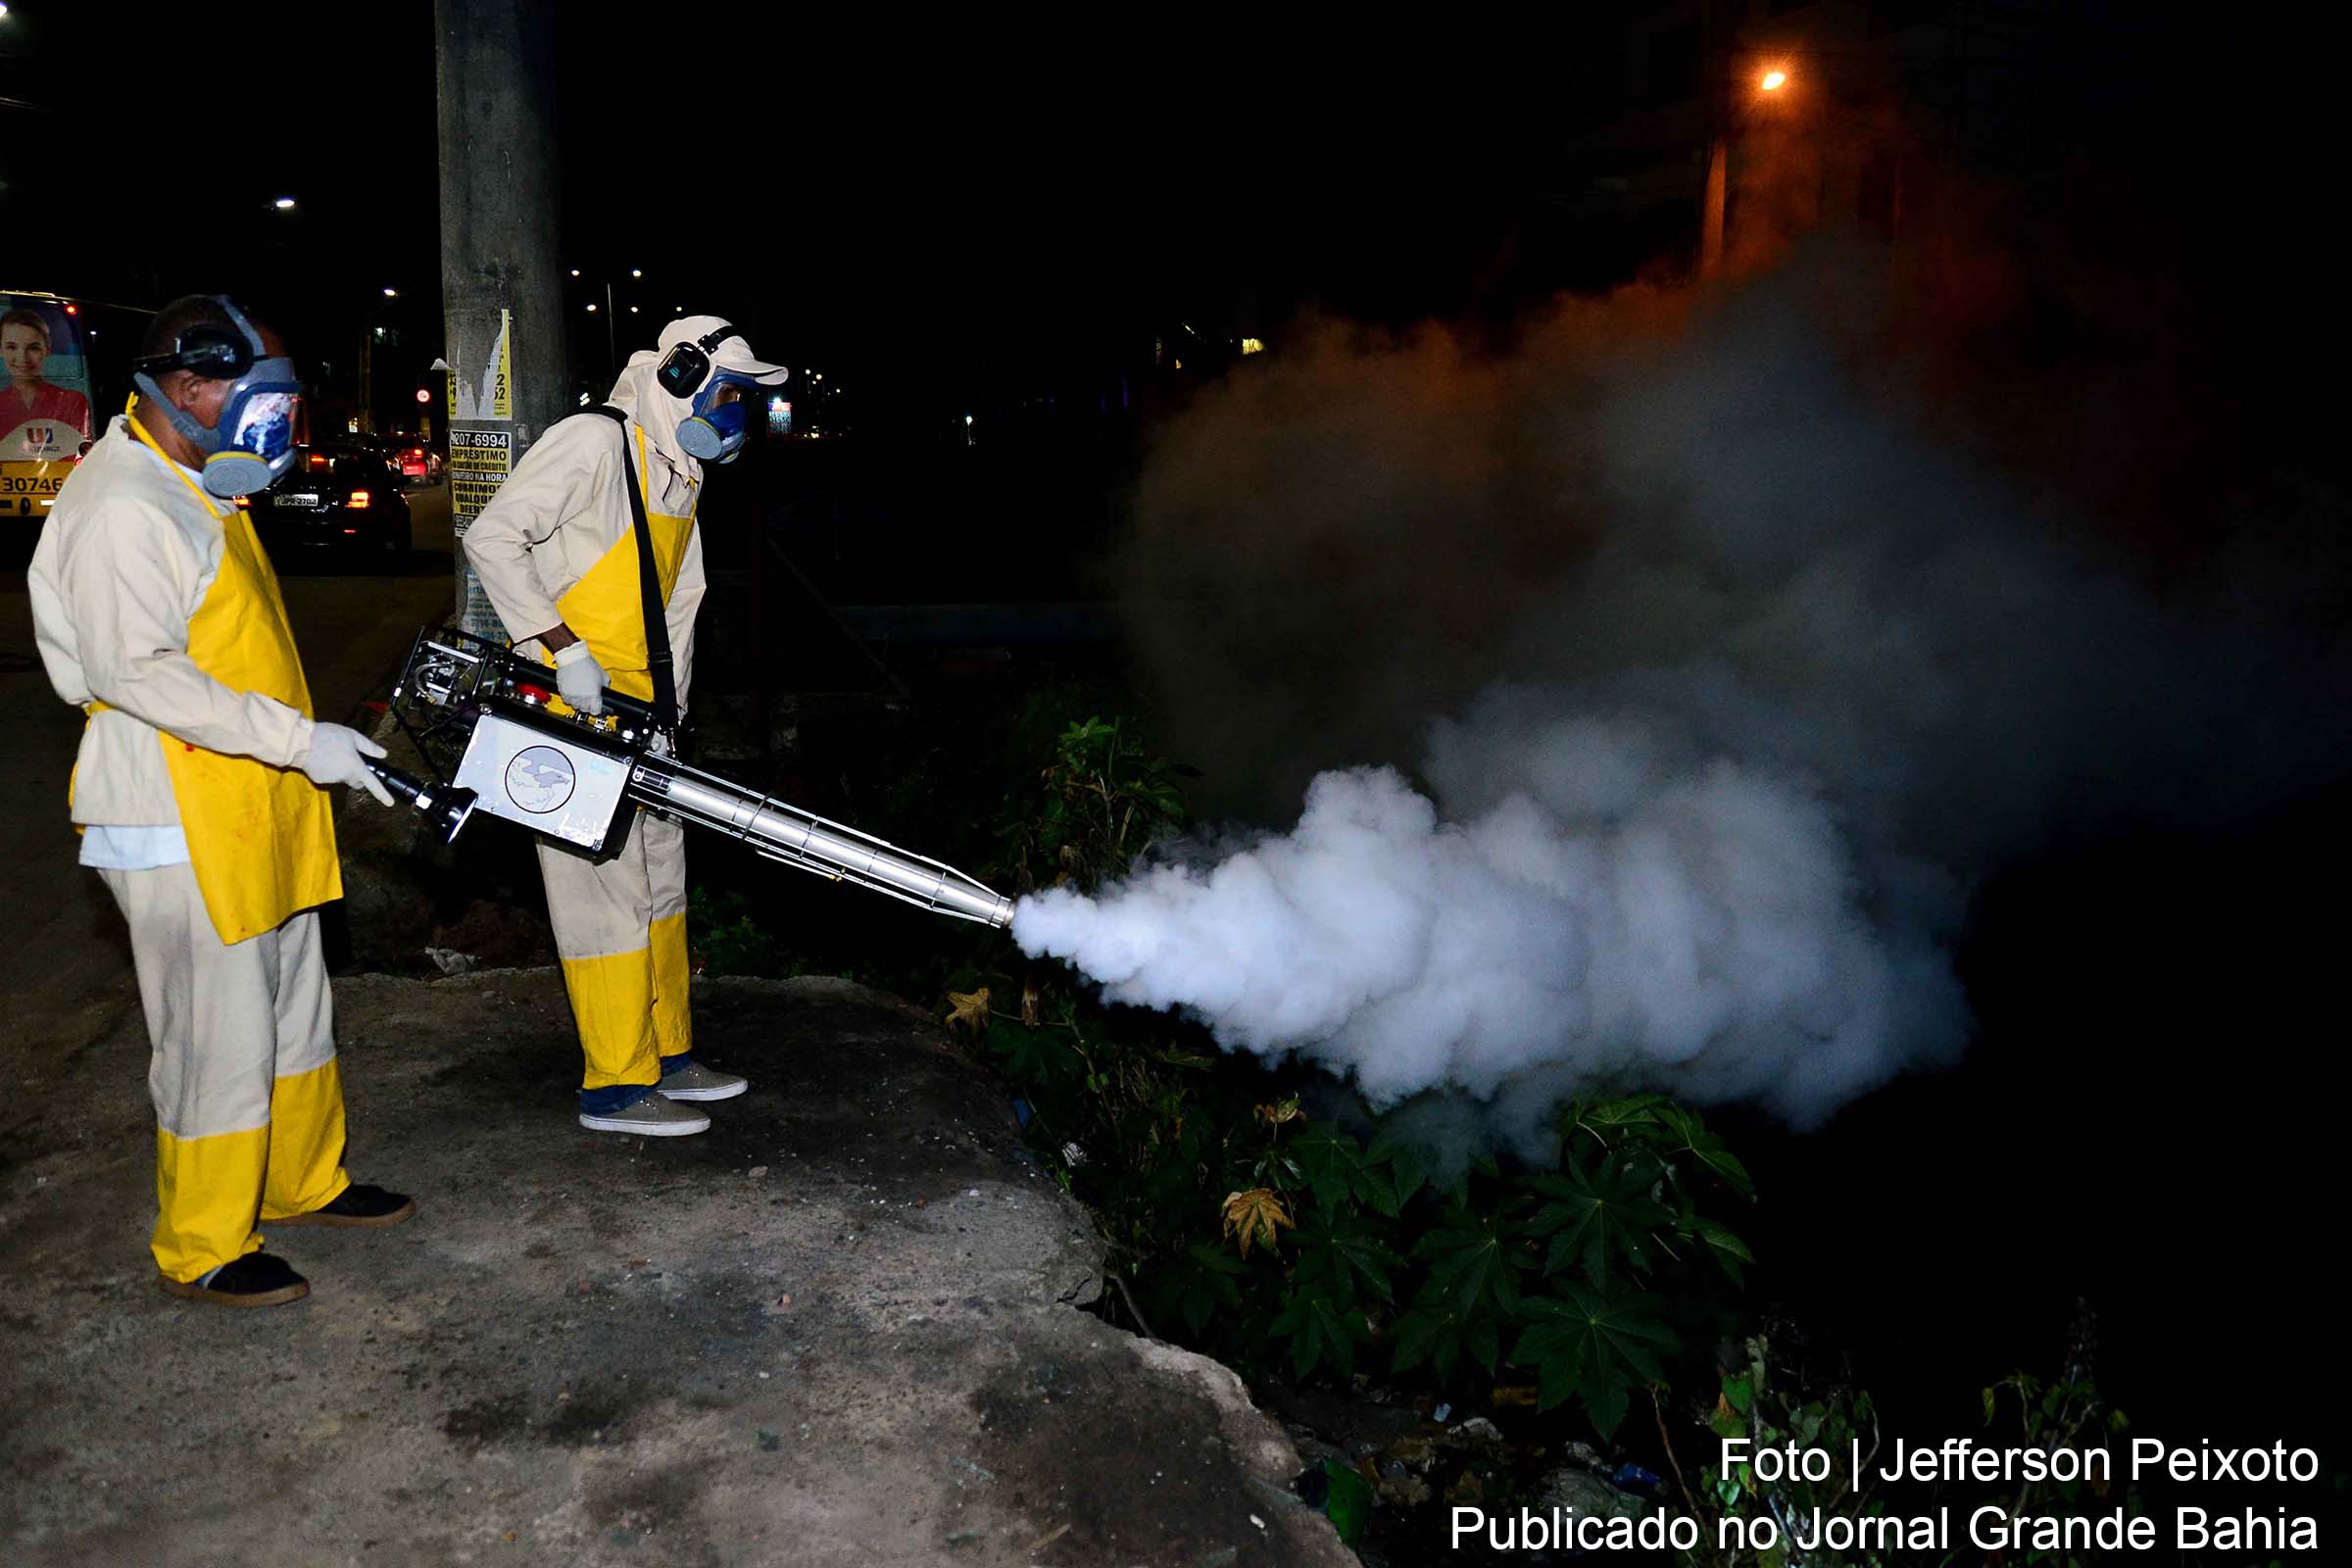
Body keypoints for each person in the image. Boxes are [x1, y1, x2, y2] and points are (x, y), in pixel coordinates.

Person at [26, 295, 414, 1308]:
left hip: (253, 796)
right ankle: (204, 1239)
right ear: (191, 385)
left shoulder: (194, 483)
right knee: (215, 1032)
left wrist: (293, 755)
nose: (282, 424)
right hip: (174, 805)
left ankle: (297, 1181)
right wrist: (301, 739)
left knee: (293, 1009)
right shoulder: (123, 504)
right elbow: (138, 672)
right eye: (267, 398)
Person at [464, 317, 787, 1136]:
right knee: (602, 894)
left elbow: (681, 604)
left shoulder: (679, 472)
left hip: (645, 717)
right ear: (678, 376)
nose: (739, 415)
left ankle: (668, 1054)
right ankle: (614, 1085)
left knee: (661, 886)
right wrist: (560, 647)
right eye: (732, 395)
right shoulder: (592, 443)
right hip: (571, 710)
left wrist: (673, 716)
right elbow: (493, 537)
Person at [2, 305, 96, 458]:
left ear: (47, 350)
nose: (22, 358)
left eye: (33, 348)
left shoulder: (73, 401)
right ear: (1, 350)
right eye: (11, 347)